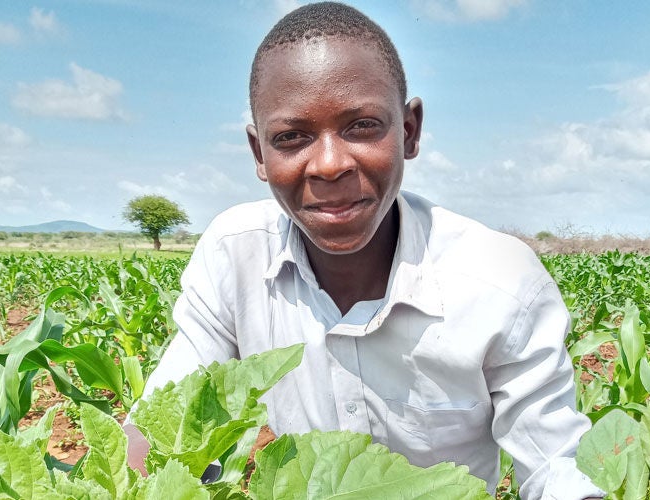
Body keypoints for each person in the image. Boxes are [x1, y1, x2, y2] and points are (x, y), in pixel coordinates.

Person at [125, 3, 604, 499]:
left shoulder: (499, 282)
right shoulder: (235, 255)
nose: (329, 165)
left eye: (363, 126)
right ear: (259, 154)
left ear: (410, 131)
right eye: (292, 137)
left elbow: (557, 467)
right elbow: (168, 428)